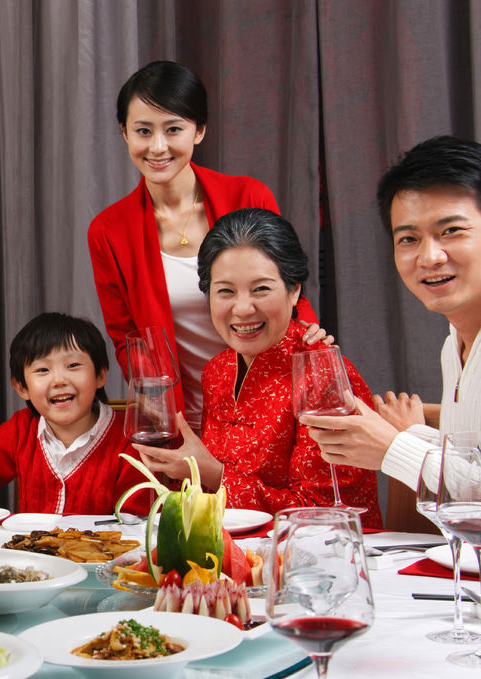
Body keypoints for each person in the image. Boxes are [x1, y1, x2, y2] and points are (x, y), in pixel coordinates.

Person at [305, 136, 481, 546]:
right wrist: (401, 438)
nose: (429, 257)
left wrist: (396, 448)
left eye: (450, 231)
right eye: (408, 239)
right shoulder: (459, 341)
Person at [88, 60, 322, 434]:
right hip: (182, 415)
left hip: (266, 407)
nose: (158, 147)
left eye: (174, 129)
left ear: (199, 131)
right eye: (143, 131)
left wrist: (312, 339)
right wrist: (156, 393)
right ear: (124, 133)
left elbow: (290, 291)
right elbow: (125, 337)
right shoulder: (108, 230)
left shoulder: (248, 195)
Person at [133, 208, 383, 524]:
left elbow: (325, 513)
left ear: (294, 291)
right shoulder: (217, 371)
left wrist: (209, 472)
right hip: (229, 557)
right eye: (225, 291)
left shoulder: (323, 375)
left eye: (261, 289)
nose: (242, 308)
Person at [0, 312, 146, 515]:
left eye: (73, 365)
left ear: (100, 375)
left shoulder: (130, 439)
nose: (59, 380)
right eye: (43, 370)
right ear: (22, 388)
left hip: (108, 552)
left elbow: (137, 523)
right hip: (32, 553)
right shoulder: (20, 430)